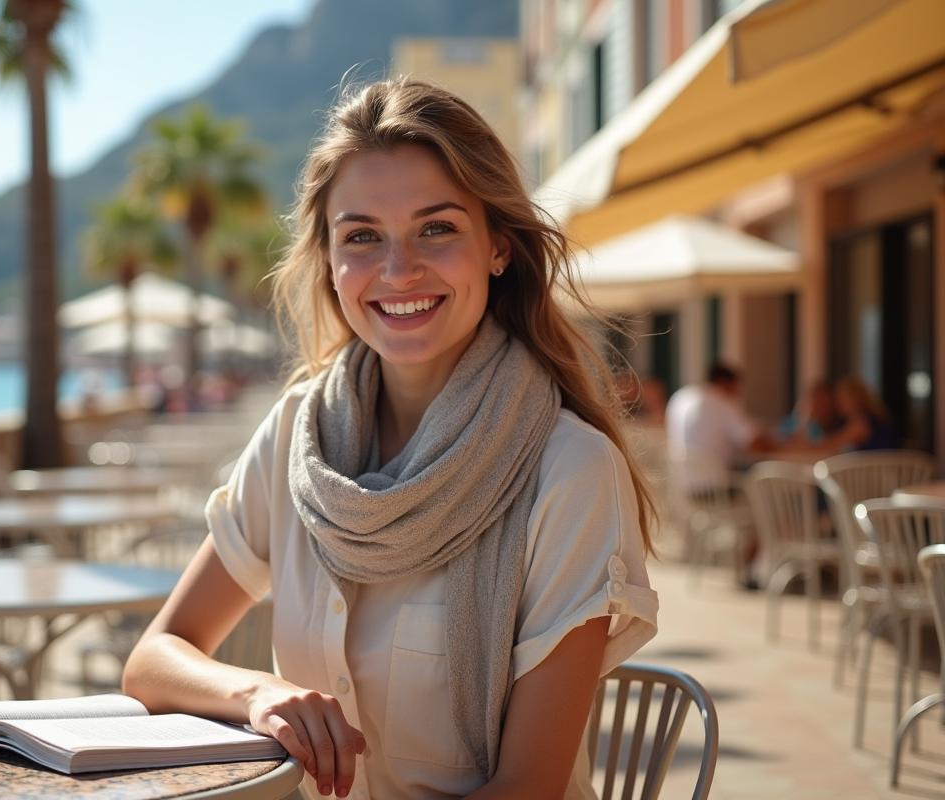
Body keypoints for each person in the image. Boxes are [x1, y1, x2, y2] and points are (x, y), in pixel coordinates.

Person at [122, 78, 658, 800]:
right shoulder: (295, 438)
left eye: (437, 228)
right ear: (331, 263)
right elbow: (156, 657)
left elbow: (527, 787)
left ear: (498, 246)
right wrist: (257, 695)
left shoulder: (568, 469)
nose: (398, 270)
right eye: (363, 237)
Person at [665, 362, 771, 477]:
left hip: (679, 483)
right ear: (726, 383)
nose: (738, 393)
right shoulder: (721, 401)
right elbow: (755, 444)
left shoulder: (681, 396)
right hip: (715, 487)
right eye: (737, 387)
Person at [818, 375, 898, 452]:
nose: (839, 404)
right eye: (838, 399)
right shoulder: (868, 418)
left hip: (882, 464)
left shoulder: (860, 423)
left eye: (844, 399)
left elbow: (831, 446)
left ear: (856, 398)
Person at [776, 379, 840, 447]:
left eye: (823, 402)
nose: (819, 406)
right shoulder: (798, 422)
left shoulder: (839, 426)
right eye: (816, 401)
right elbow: (778, 437)